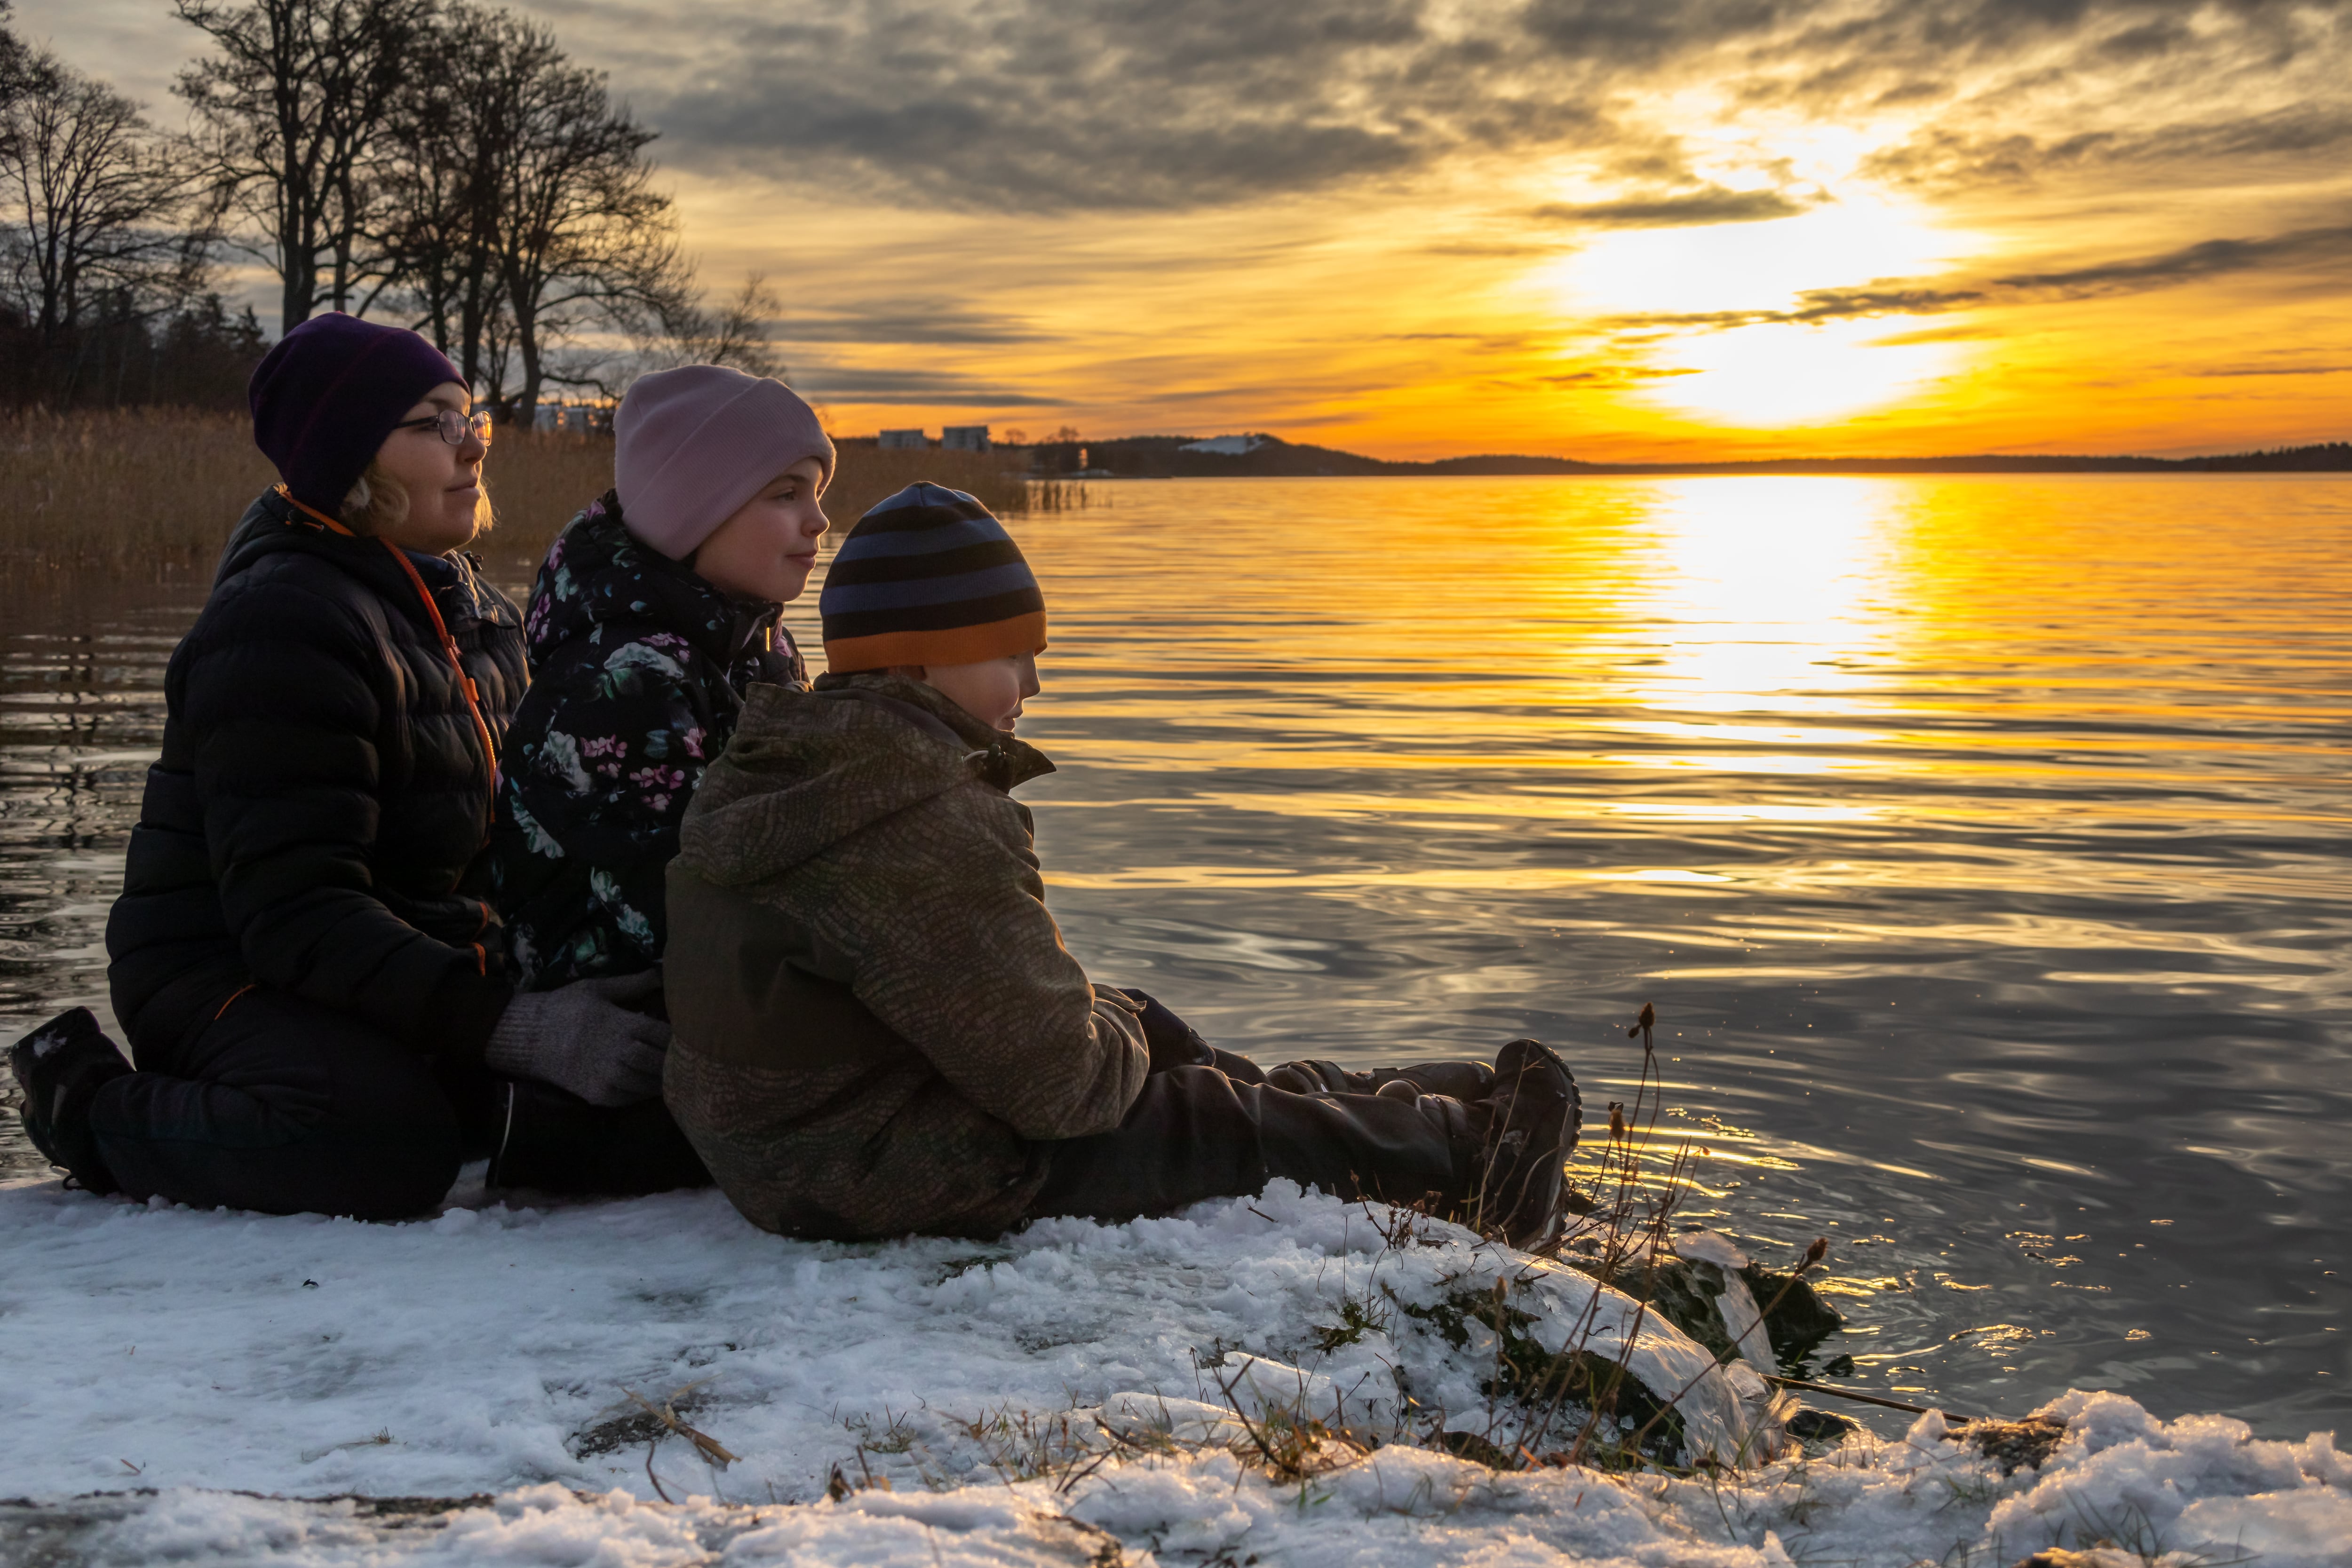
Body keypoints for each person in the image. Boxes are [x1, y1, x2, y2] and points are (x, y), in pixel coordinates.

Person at [660, 483, 1581, 1248]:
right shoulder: (917, 811)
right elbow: (1063, 1090)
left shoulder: (795, 763)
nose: (1032, 685)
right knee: (1203, 1119)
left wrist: (1121, 1016)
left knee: (1147, 1027)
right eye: (1012, 652)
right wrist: (1115, 1025)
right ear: (924, 654)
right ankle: (1479, 1159)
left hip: (794, 1145)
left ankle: (1400, 1099)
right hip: (882, 1167)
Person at [8, 314, 694, 1220]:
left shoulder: (472, 608)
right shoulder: (282, 621)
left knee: (643, 1120)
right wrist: (518, 1028)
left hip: (402, 966)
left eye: (471, 416)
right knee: (381, 1145)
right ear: (349, 458)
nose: (473, 444)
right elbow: (296, 915)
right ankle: (87, 1101)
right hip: (230, 975)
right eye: (434, 424)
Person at [483, 365, 831, 993]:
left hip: (730, 1000)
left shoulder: (760, 644)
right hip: (629, 1033)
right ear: (696, 512)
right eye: (786, 493)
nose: (819, 520)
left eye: (816, 492)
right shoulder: (622, 678)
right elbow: (683, 914)